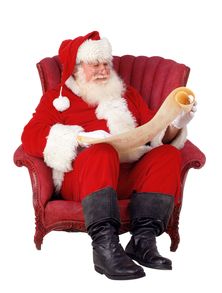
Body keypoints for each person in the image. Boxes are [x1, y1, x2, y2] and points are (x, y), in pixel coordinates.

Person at [21, 31, 196, 280]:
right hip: (83, 180)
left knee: (167, 154)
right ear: (77, 68)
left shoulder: (126, 94)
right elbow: (29, 137)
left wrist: (176, 123)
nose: (103, 70)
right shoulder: (57, 99)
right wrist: (76, 138)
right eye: (95, 64)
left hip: (124, 175)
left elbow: (153, 132)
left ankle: (142, 241)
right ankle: (104, 247)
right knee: (102, 152)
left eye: (106, 64)